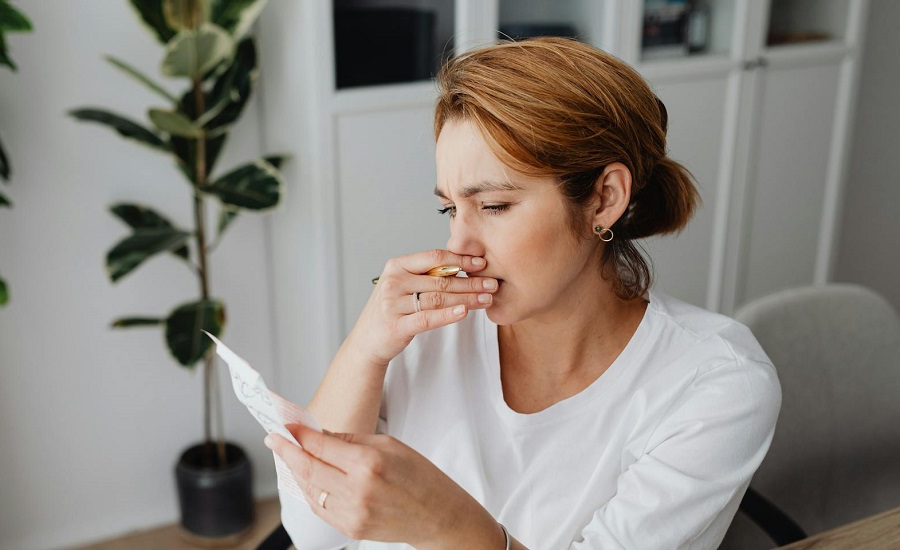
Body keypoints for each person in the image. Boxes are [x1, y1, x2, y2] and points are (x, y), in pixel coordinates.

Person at [265, 37, 781, 550]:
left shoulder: (714, 385)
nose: (457, 246)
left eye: (492, 206)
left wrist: (449, 526)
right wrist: (365, 349)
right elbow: (313, 535)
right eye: (450, 210)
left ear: (604, 199)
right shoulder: (429, 327)